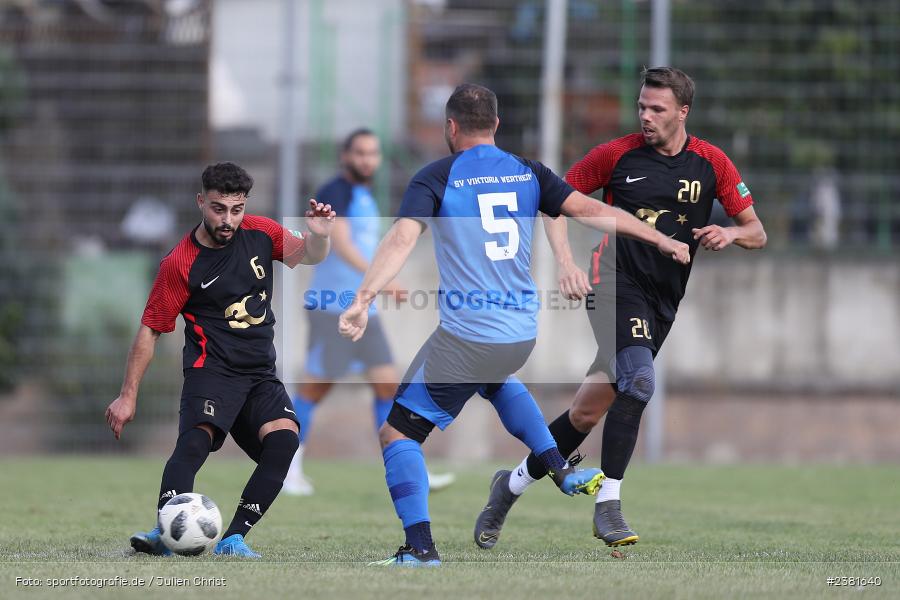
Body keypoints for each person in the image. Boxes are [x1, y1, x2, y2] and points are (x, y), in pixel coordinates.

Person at [338, 83, 690, 566]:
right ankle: (557, 467)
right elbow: (596, 211)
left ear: (451, 127)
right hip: (520, 332)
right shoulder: (529, 172)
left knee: (397, 435)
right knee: (495, 378)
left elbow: (401, 238)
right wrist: (659, 239)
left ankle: (419, 549)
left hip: (467, 335)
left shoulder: (436, 176)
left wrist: (362, 298)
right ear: (496, 126)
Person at [473, 67, 767, 550]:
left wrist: (731, 233)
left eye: (658, 109)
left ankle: (509, 486)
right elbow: (554, 201)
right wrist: (565, 261)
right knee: (641, 381)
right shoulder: (615, 155)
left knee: (588, 413)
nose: (646, 116)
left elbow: (757, 231)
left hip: (662, 302)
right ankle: (608, 503)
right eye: (642, 107)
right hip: (611, 282)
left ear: (683, 112)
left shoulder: (712, 163)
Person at [104, 162, 336, 558]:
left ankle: (233, 539)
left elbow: (311, 256)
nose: (227, 219)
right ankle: (166, 530)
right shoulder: (180, 262)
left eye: (236, 209)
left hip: (260, 373)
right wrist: (128, 396)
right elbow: (150, 330)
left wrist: (319, 237)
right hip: (211, 372)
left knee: (284, 443)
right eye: (218, 209)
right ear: (201, 202)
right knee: (195, 443)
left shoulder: (262, 232)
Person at [285, 128, 455, 496]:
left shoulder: (365, 196)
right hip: (333, 310)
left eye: (373, 153)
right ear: (345, 156)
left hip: (364, 312)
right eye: (360, 153)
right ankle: (287, 469)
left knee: (388, 387)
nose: (367, 160)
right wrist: (381, 280)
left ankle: (409, 469)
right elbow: (342, 244)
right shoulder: (336, 192)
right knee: (313, 390)